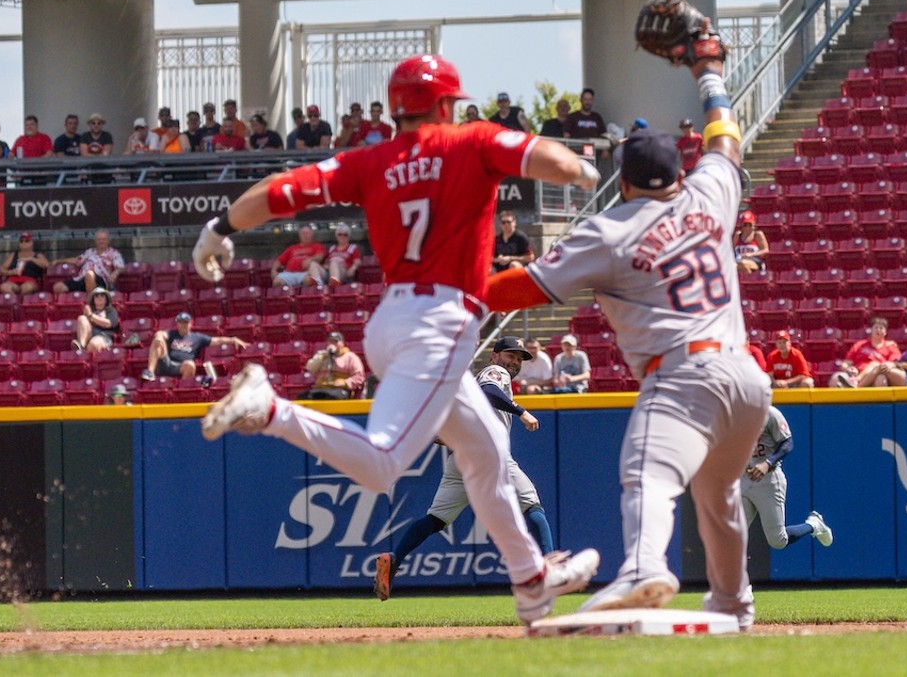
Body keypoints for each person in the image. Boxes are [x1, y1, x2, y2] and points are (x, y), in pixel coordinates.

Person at [194, 52, 602, 623]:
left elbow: (283, 189)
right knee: (383, 464)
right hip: (440, 322)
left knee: (486, 450)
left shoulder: (369, 160)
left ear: (396, 108)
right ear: (444, 103)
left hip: (392, 318)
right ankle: (271, 412)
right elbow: (551, 160)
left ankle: (531, 582)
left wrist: (219, 228)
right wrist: (582, 169)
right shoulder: (473, 141)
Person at [481, 13, 769, 623]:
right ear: (677, 171)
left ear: (625, 181)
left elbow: (522, 289)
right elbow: (725, 139)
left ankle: (643, 567)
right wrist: (709, 70)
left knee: (648, 473)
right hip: (747, 380)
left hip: (684, 376)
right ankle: (735, 606)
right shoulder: (711, 190)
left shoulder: (610, 230)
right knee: (718, 496)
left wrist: (464, 287)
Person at [373, 335, 552, 601]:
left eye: (518, 358)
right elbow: (491, 391)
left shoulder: (469, 384)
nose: (514, 362)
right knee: (532, 504)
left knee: (435, 519)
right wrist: (521, 411)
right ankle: (552, 569)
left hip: (462, 455)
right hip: (489, 452)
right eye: (510, 355)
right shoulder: (495, 372)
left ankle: (395, 558)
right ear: (495, 356)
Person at [741, 406, 832, 555]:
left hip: (768, 480)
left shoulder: (770, 413)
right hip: (743, 479)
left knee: (778, 540)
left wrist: (767, 463)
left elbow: (788, 443)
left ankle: (813, 525)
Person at [143, 312, 245, 382]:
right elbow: (161, 334)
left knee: (190, 364)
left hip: (181, 366)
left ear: (190, 324)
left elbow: (216, 340)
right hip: (166, 363)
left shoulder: (197, 337)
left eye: (185, 323)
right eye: (181, 322)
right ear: (177, 324)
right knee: (157, 340)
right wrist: (159, 335)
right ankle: (150, 372)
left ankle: (182, 389)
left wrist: (233, 340)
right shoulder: (171, 333)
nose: (183, 325)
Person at [830, 317, 905, 388]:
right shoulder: (860, 345)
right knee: (836, 378)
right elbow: (845, 363)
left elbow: (892, 363)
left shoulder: (890, 346)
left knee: (879, 374)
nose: (878, 330)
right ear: (871, 330)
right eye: (876, 327)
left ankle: (856, 384)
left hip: (877, 374)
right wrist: (848, 368)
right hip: (857, 372)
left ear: (885, 332)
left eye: (881, 328)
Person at [52, 229, 125, 294]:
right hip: (81, 279)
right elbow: (76, 260)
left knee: (89, 275)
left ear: (108, 241)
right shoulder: (89, 252)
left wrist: (115, 273)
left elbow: (121, 267)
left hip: (100, 281)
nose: (101, 241)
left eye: (104, 239)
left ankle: (91, 303)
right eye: (99, 239)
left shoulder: (114, 253)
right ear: (95, 241)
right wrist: (59, 261)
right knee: (58, 287)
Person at [302, 331, 366, 399]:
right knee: (303, 397)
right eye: (330, 341)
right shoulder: (322, 355)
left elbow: (359, 377)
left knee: (331, 397)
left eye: (335, 342)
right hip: (321, 388)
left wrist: (345, 382)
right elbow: (309, 368)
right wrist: (324, 356)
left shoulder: (350, 357)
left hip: (338, 389)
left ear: (342, 343)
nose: (333, 344)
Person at [73, 286, 121, 354]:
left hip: (104, 336)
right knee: (82, 318)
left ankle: (84, 355)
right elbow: (83, 325)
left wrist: (91, 316)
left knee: (94, 344)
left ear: (106, 299)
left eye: (102, 295)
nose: (99, 297)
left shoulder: (111, 311)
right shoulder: (89, 310)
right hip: (90, 334)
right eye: (97, 296)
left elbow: (108, 324)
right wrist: (87, 314)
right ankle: (81, 346)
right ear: (93, 299)